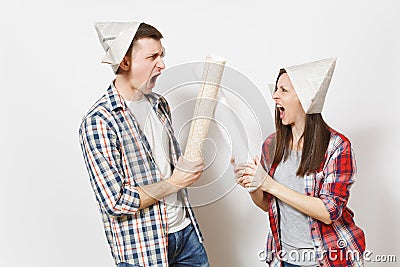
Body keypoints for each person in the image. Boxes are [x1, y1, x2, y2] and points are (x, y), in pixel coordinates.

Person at [79, 21, 209, 267]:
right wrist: (175, 182)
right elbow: (115, 201)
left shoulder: (159, 105)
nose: (162, 64)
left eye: (161, 56)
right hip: (144, 251)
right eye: (152, 57)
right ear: (125, 62)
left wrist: (185, 167)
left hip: (186, 234)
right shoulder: (99, 121)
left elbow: (165, 167)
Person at [232, 58, 365, 266]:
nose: (275, 95)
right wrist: (253, 184)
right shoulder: (272, 144)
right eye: (276, 89)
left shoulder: (337, 148)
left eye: (283, 90)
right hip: (284, 258)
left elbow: (329, 212)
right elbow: (269, 205)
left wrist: (268, 183)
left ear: (305, 99)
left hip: (326, 259)